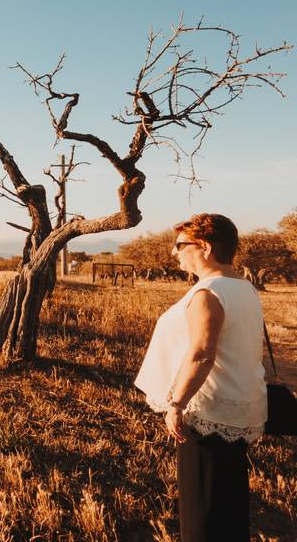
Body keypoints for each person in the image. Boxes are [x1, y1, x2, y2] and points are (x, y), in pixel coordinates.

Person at [134, 213, 266, 542]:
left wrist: (176, 403)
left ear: (204, 247)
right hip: (238, 410)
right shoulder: (244, 287)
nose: (174, 253)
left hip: (206, 413)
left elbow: (201, 353)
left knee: (202, 513)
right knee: (228, 507)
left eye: (180, 245)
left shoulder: (207, 292)